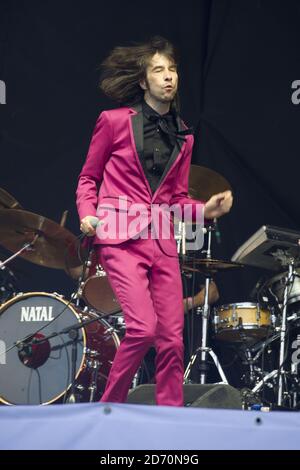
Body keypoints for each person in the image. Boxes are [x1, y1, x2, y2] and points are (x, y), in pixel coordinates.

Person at [76, 36, 233, 406]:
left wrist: (205, 211)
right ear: (144, 81)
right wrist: (87, 213)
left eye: (172, 69)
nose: (168, 77)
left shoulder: (184, 135)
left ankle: (170, 419)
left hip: (161, 239)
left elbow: (177, 198)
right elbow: (88, 178)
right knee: (143, 329)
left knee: (172, 338)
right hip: (119, 235)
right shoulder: (113, 121)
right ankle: (108, 406)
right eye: (158, 70)